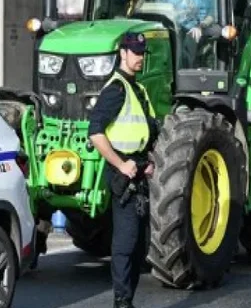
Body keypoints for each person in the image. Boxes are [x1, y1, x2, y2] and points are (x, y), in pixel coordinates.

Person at [88, 32, 158, 308]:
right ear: (122, 53)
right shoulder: (115, 90)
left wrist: (148, 162)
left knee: (140, 246)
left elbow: (148, 130)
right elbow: (96, 134)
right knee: (126, 242)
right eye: (135, 52)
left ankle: (127, 300)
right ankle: (122, 301)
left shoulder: (138, 91)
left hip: (140, 172)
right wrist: (121, 164)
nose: (139, 57)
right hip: (123, 175)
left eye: (142, 53)